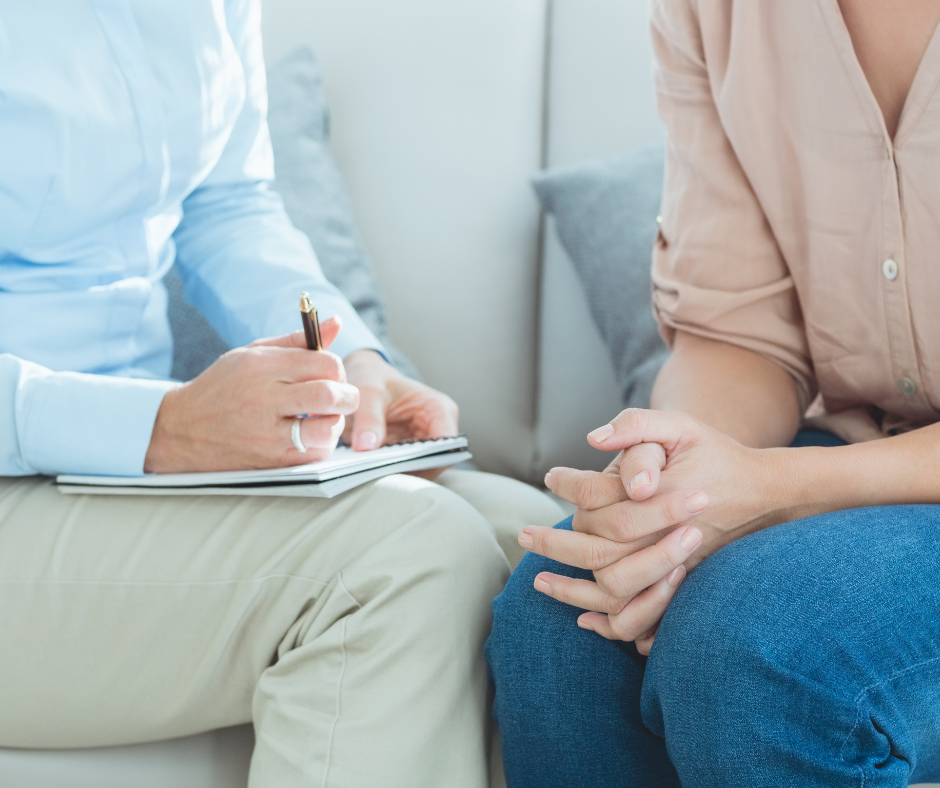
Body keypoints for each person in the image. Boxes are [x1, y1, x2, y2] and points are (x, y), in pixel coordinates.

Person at [0, 2, 562, 787]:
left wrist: (348, 361)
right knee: (403, 557)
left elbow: (225, 207)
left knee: (548, 546)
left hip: (120, 464)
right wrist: (159, 429)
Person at [487, 0, 940, 785]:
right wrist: (669, 489)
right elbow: (740, 333)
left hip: (850, 477)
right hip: (859, 443)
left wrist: (771, 489)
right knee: (561, 618)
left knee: (760, 648)